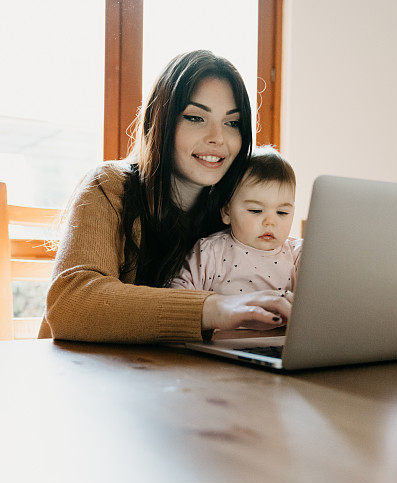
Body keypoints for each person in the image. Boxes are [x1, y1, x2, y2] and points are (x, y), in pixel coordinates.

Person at [38, 50, 292, 343]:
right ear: (161, 120)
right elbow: (70, 304)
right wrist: (211, 308)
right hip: (84, 373)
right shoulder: (109, 185)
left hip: (182, 377)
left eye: (232, 123)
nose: (218, 138)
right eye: (196, 117)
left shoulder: (237, 208)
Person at [169, 146, 302, 298]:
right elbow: (177, 294)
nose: (270, 222)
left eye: (282, 212)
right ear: (227, 212)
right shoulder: (211, 251)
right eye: (256, 210)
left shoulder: (298, 255)